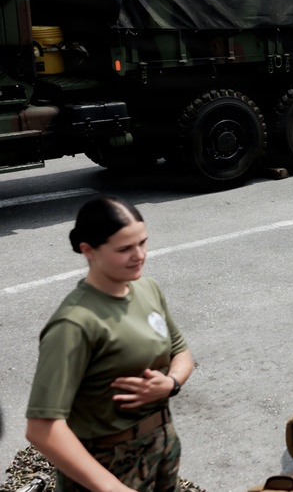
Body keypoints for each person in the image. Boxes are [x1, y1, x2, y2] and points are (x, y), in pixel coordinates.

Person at [26, 196, 194, 492]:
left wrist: (170, 383)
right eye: (124, 249)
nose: (139, 255)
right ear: (88, 250)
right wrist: (112, 488)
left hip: (161, 446)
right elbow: (42, 429)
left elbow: (181, 352)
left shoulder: (147, 288)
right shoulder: (74, 324)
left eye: (143, 243)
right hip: (106, 462)